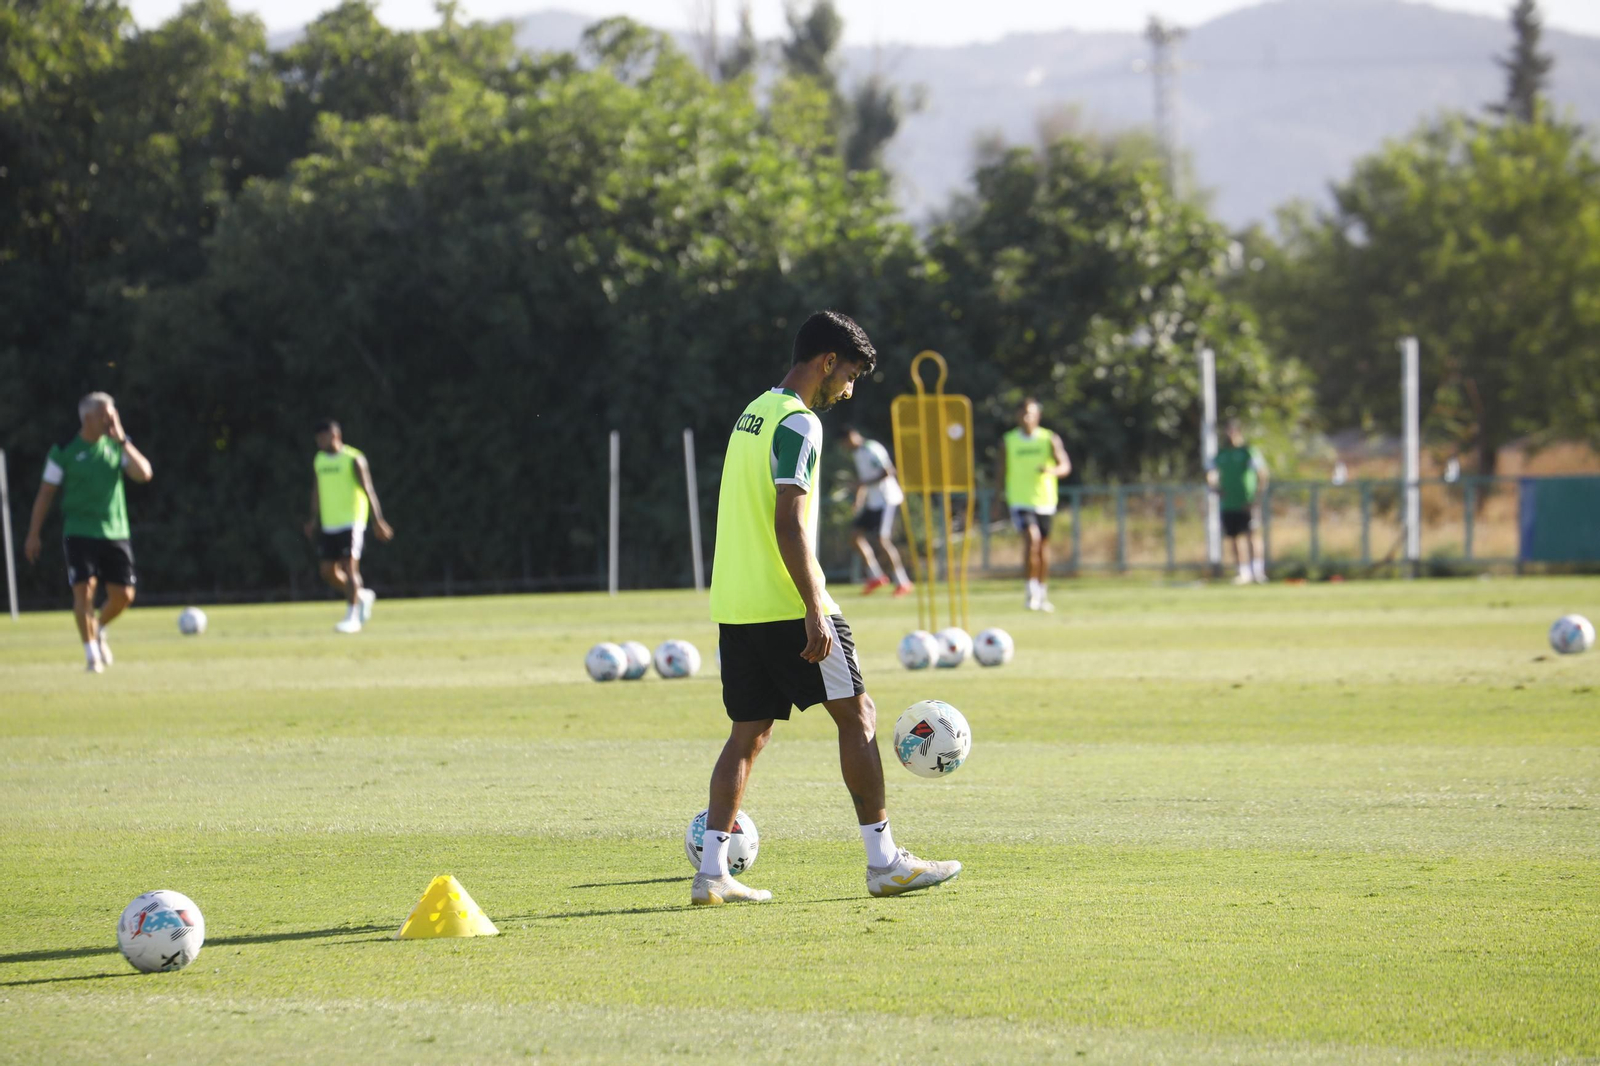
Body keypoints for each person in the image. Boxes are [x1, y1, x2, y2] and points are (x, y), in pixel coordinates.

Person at [700, 310, 961, 906]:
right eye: (850, 376)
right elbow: (789, 521)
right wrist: (815, 606)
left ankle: (711, 872)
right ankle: (884, 862)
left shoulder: (753, 413)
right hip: (789, 601)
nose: (848, 389)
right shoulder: (799, 423)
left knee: (748, 734)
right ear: (826, 362)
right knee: (859, 714)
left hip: (736, 604)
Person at [22, 392, 154, 673]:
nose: (111, 419)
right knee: (85, 590)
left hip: (115, 530)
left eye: (113, 414)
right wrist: (33, 533)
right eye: (106, 414)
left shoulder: (116, 447)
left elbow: (144, 474)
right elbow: (46, 493)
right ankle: (92, 655)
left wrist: (122, 439)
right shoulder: (65, 450)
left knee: (124, 595)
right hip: (79, 531)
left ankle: (99, 626)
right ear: (87, 418)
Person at [305, 419, 392, 633]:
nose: (319, 442)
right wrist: (313, 519)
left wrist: (377, 520)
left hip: (353, 522)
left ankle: (352, 617)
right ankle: (362, 596)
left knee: (349, 567)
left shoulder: (353, 459)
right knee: (327, 571)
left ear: (335, 435)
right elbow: (316, 490)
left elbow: (368, 490)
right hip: (329, 523)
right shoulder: (320, 460)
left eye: (323, 437)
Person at [997, 398, 1071, 612]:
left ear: (1038, 415)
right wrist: (997, 499)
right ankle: (1030, 592)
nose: (1026, 417)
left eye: (1030, 413)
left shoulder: (1048, 439)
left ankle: (1042, 593)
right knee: (1032, 540)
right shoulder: (1009, 440)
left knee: (1043, 548)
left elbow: (1064, 465)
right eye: (1022, 413)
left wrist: (1052, 471)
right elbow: (1001, 472)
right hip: (1020, 500)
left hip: (1045, 500)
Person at [843, 427, 912, 597]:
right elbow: (863, 482)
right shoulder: (857, 454)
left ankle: (903, 581)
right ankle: (876, 576)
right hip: (873, 503)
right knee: (854, 536)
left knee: (882, 540)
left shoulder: (871, 448)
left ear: (852, 436)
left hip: (887, 499)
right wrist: (858, 501)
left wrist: (862, 483)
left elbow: (888, 472)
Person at [1208, 419, 1269, 584]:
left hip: (1246, 501)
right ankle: (1243, 572)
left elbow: (1262, 473)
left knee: (1252, 535)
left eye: (1232, 431)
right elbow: (1210, 472)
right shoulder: (1222, 453)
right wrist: (1215, 488)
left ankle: (1258, 572)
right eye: (1227, 431)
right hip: (1228, 503)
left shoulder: (1248, 451)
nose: (1230, 434)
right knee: (1234, 537)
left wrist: (1256, 497)